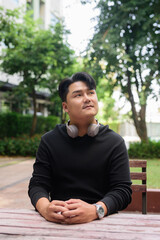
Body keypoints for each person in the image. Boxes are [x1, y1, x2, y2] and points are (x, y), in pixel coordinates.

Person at [28, 72, 132, 224]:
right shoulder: (49, 141)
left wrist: (96, 210)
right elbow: (38, 184)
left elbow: (122, 190)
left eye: (91, 92)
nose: (88, 98)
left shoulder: (114, 142)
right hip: (59, 221)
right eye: (78, 95)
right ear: (65, 107)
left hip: (99, 221)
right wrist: (45, 208)